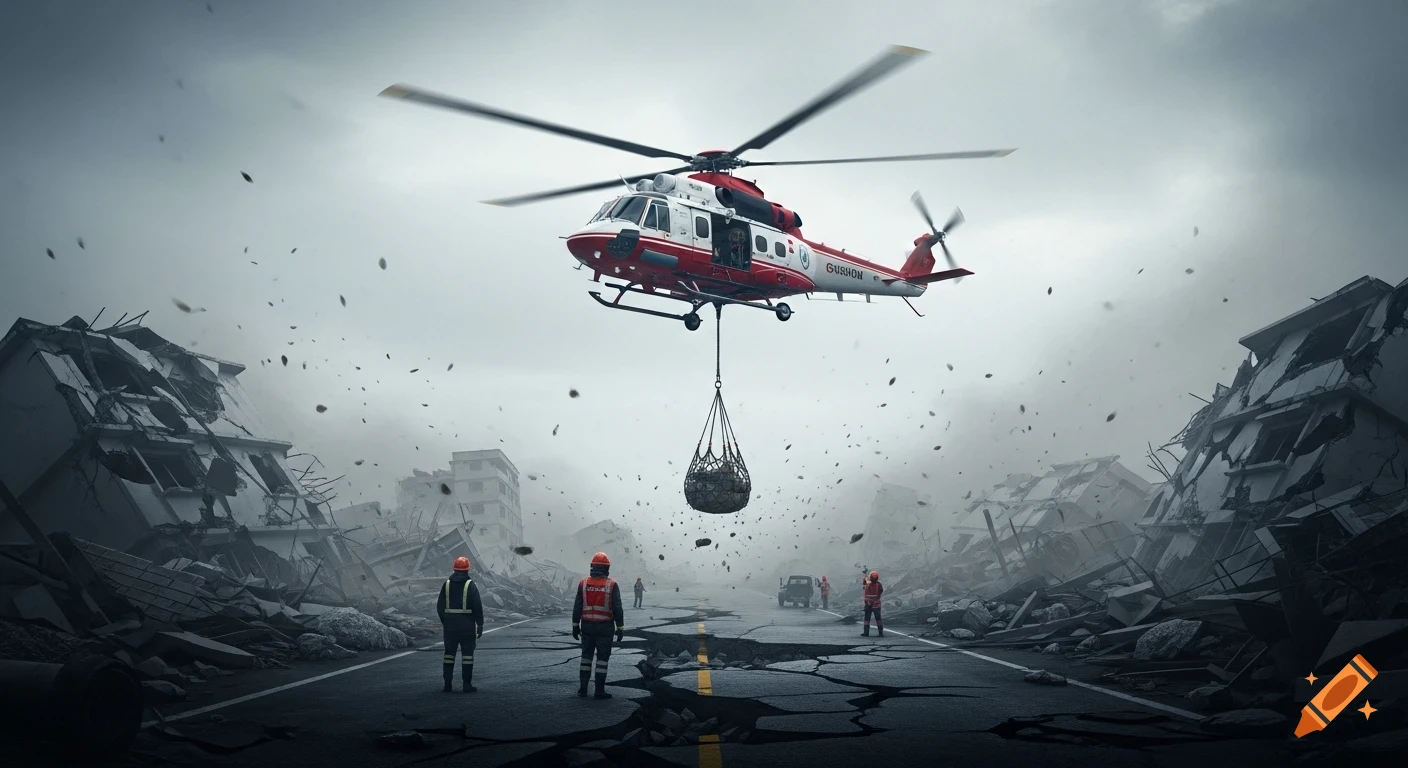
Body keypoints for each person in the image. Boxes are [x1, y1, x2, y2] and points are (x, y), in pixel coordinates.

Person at [572, 552, 624, 699]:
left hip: (587, 626)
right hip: (605, 627)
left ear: (592, 567)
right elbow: (617, 608)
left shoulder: (583, 583)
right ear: (607, 568)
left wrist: (575, 625)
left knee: (586, 657)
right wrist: (620, 628)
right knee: (602, 659)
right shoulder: (612, 585)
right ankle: (599, 690)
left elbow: (577, 606)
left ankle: (583, 689)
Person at [436, 556, 483, 692]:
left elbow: (440, 606)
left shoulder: (447, 584)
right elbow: (477, 606)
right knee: (467, 655)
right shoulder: (471, 585)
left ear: (454, 569)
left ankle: (447, 684)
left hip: (450, 626)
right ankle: (466, 685)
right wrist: (479, 624)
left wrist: (445, 620)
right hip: (467, 625)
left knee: (449, 654)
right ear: (467, 570)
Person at [862, 570, 884, 638]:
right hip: (876, 604)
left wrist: (865, 575)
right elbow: (881, 591)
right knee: (878, 619)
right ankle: (880, 633)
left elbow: (864, 582)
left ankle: (866, 633)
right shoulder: (879, 585)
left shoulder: (868, 583)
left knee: (867, 619)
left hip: (868, 603)